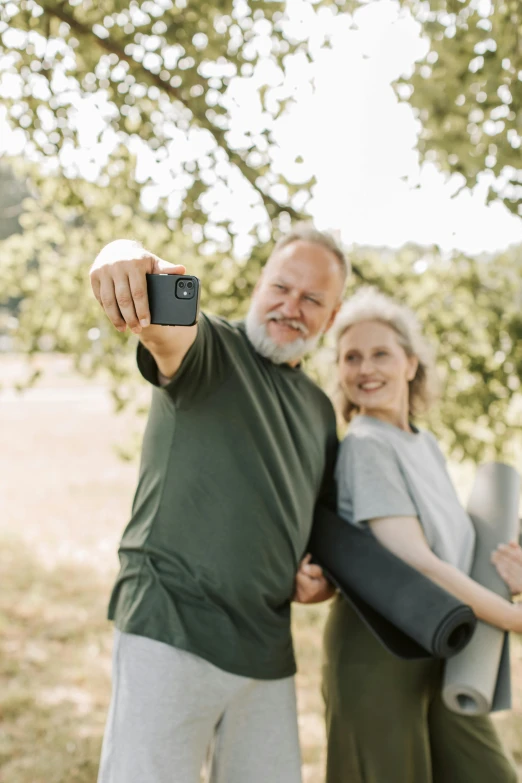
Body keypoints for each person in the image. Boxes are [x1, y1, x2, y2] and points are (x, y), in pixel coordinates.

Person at [89, 223, 342, 783]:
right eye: (281, 287)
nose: (290, 306)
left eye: (312, 298)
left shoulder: (321, 411)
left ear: (334, 311)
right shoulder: (214, 350)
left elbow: (314, 533)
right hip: (171, 628)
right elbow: (167, 327)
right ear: (260, 284)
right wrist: (123, 256)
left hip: (267, 653)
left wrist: (319, 579)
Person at [318, 287, 520, 783]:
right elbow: (418, 564)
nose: (366, 369)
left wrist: (508, 575)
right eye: (352, 358)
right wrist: (516, 620)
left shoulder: (421, 442)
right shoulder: (366, 446)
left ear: (411, 363)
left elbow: (452, 548)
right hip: (379, 649)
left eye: (380, 353)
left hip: (445, 641)